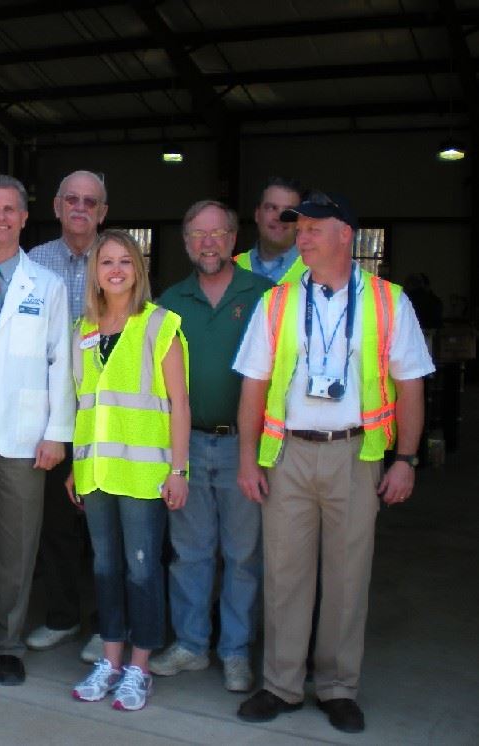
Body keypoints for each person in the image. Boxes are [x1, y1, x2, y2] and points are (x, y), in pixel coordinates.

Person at [234, 192, 434, 734]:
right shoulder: (277, 302)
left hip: (354, 453)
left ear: (346, 234)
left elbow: (410, 384)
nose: (301, 236)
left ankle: (338, 687)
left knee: (348, 576)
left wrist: (406, 458)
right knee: (285, 574)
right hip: (289, 454)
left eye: (313, 228)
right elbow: (253, 385)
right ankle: (280, 684)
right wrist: (248, 458)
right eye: (298, 227)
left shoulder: (389, 302)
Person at [0, 174, 74, 686]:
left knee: (18, 547)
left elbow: (61, 361)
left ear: (24, 218)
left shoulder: (47, 285)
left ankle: (8, 643)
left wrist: (57, 433)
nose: (1, 217)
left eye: (10, 209)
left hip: (26, 436)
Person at [66, 229, 190, 712]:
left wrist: (179, 470)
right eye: (106, 262)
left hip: (143, 474)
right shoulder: (83, 329)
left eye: (124, 261)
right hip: (96, 471)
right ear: (94, 273)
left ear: (138, 269)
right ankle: (110, 659)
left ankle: (140, 666)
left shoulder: (160, 325)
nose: (115, 270)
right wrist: (76, 466)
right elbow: (83, 404)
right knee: (104, 566)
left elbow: (180, 405)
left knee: (142, 567)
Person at [152, 201, 273, 692]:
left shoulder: (263, 295)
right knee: (189, 553)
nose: (208, 243)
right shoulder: (170, 301)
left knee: (243, 555)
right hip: (187, 444)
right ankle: (191, 644)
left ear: (233, 239)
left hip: (245, 447)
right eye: (197, 234)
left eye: (217, 233)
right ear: (185, 242)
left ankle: (236, 651)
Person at [26, 169, 109, 663]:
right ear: (57, 207)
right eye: (71, 200)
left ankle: (104, 625)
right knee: (56, 524)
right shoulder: (35, 263)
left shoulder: (116, 260)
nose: (80, 208)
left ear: (103, 212)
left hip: (106, 416)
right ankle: (61, 616)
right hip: (52, 415)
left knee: (102, 527)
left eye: (90, 201)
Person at [235, 177, 305, 284]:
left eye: (289, 211)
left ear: (300, 220)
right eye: (271, 208)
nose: (280, 217)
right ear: (257, 214)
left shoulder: (317, 270)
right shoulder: (231, 268)